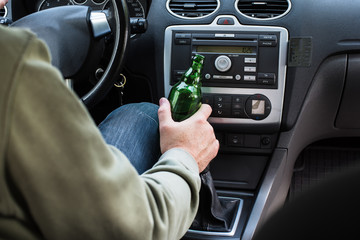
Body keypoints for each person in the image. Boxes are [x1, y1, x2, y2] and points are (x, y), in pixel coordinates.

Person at [0, 19, 219, 240]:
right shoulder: (11, 56)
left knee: (138, 113)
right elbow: (131, 230)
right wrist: (185, 155)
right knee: (146, 114)